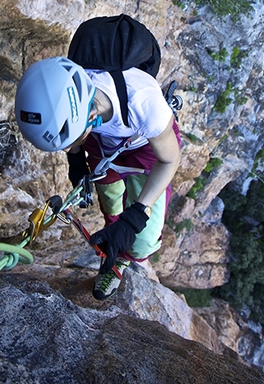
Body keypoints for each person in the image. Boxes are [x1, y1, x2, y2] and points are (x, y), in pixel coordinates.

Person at [15, 55, 181, 301]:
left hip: (146, 150)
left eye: (68, 140)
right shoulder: (69, 86)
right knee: (111, 205)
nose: (65, 148)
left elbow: (170, 161)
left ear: (90, 113)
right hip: (100, 145)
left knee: (143, 239)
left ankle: (124, 258)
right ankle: (114, 248)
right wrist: (76, 160)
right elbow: (66, 121)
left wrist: (135, 216)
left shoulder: (144, 104)